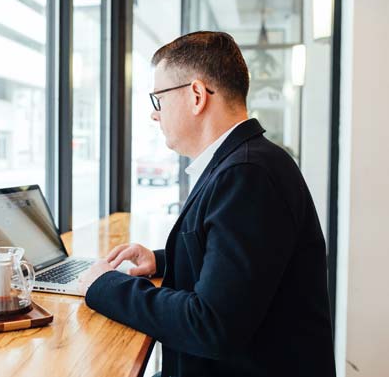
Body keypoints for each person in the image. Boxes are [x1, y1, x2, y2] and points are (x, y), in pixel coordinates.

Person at [78, 31, 336, 377]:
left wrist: (104, 286)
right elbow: (242, 264)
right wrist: (159, 260)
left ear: (197, 95)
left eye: (159, 100)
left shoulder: (248, 174)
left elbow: (211, 325)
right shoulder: (247, 161)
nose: (156, 116)